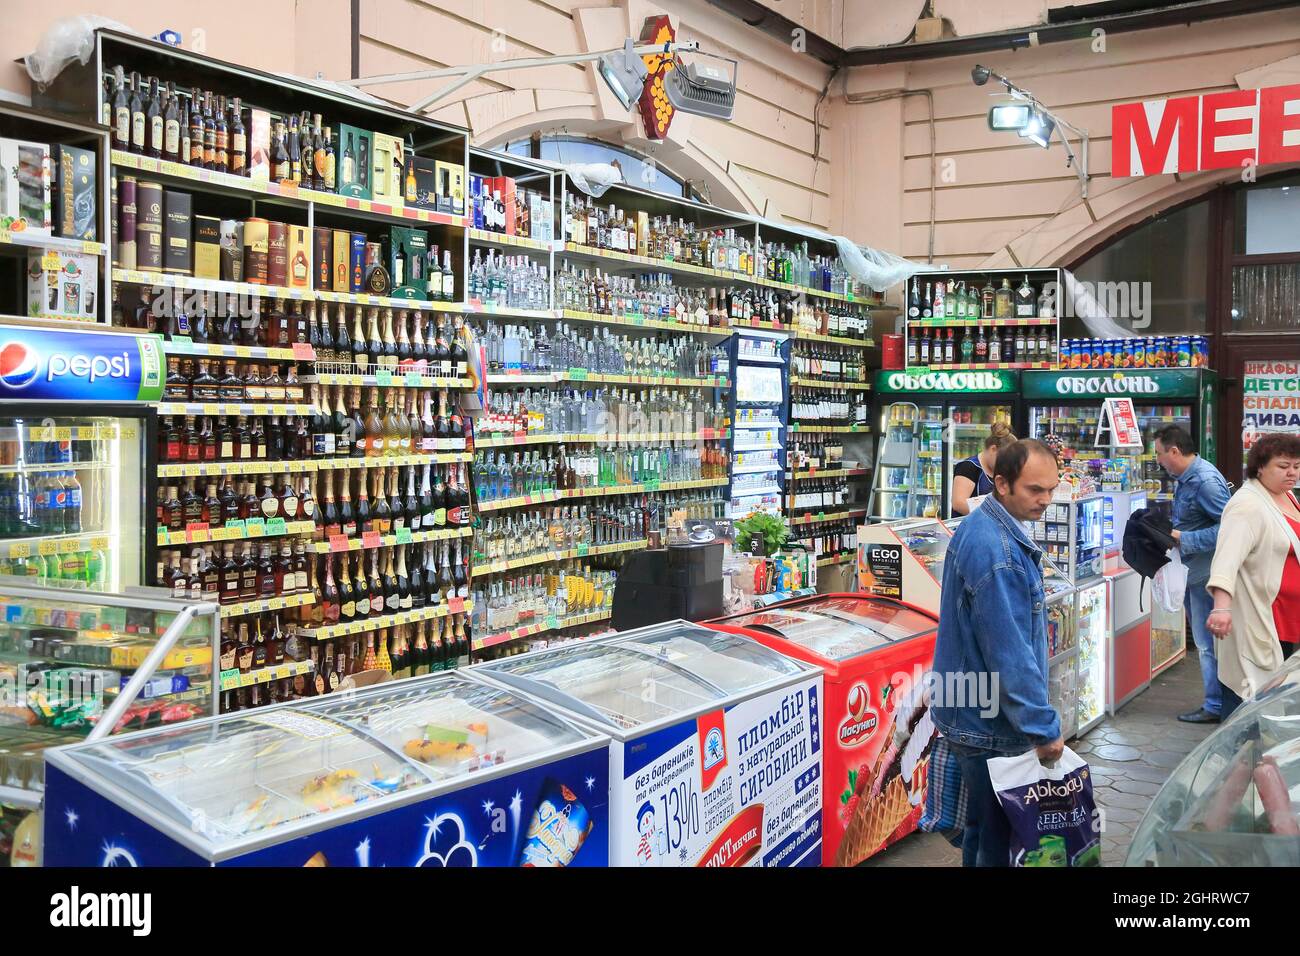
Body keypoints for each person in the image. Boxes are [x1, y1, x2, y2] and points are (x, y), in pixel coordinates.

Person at [931, 439, 1064, 867]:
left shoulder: (988, 527)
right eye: (1034, 490)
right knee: (998, 843)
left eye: (1051, 489)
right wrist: (1042, 728)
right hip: (988, 721)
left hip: (971, 707)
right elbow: (1009, 653)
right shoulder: (998, 551)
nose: (1045, 500)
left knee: (983, 833)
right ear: (1002, 484)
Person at [1205, 433, 1300, 718]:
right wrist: (1221, 608)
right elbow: (1226, 560)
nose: (1292, 472)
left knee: (1273, 706)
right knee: (1247, 709)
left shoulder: (1287, 495)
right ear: (1260, 467)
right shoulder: (1247, 504)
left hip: (1287, 621)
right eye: (1283, 466)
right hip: (1261, 620)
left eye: (1296, 465)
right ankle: (1241, 762)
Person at [1153, 424, 1231, 724]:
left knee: (1206, 645)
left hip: (1204, 575)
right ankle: (1217, 703)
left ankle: (1216, 706)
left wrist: (1183, 538)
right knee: (1205, 644)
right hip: (1192, 570)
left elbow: (1228, 529)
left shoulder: (1205, 481)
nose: (1158, 460)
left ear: (1174, 451)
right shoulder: (1187, 478)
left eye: (1160, 454)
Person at [951, 422, 1016, 516]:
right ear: (993, 449)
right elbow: (958, 504)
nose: (1005, 464)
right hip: (969, 528)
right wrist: (993, 516)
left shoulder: (1001, 471)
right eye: (1004, 459)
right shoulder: (968, 467)